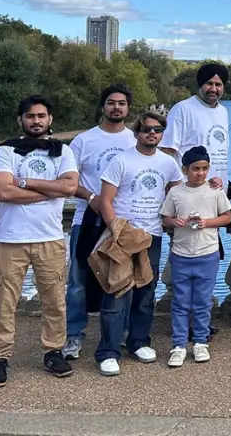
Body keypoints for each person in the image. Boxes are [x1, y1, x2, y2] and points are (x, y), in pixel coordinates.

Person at [0, 95, 80, 388]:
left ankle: (53, 351)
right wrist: (49, 191)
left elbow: (70, 186)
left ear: (50, 119)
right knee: (4, 302)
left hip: (50, 238)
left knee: (55, 301)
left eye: (41, 115)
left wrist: (24, 182)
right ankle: (0, 357)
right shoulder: (6, 151)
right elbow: (3, 192)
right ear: (21, 120)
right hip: (11, 238)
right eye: (30, 116)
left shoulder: (63, 151)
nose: (36, 120)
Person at [95, 112, 182, 376]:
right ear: (137, 133)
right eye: (146, 129)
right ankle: (108, 351)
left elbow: (178, 192)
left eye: (157, 129)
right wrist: (116, 230)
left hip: (151, 235)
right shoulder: (121, 161)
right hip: (123, 235)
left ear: (162, 133)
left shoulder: (168, 163)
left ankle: (138, 341)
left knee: (146, 292)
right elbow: (105, 200)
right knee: (116, 292)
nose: (151, 133)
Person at [63, 84, 135, 361]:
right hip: (88, 219)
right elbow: (69, 181)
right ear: (102, 106)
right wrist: (91, 196)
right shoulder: (84, 140)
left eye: (122, 103)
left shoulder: (134, 140)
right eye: (111, 102)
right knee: (79, 279)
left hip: (123, 221)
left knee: (125, 280)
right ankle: (73, 335)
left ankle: (124, 332)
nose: (116, 107)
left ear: (128, 108)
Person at [161, 146, 231, 367]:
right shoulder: (176, 192)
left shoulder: (215, 191)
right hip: (181, 254)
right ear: (185, 170)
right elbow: (165, 219)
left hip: (207, 253)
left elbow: (227, 217)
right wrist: (175, 222)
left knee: (202, 302)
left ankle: (201, 342)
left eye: (204, 169)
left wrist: (207, 223)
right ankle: (179, 344)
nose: (200, 173)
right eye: (195, 169)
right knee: (180, 302)